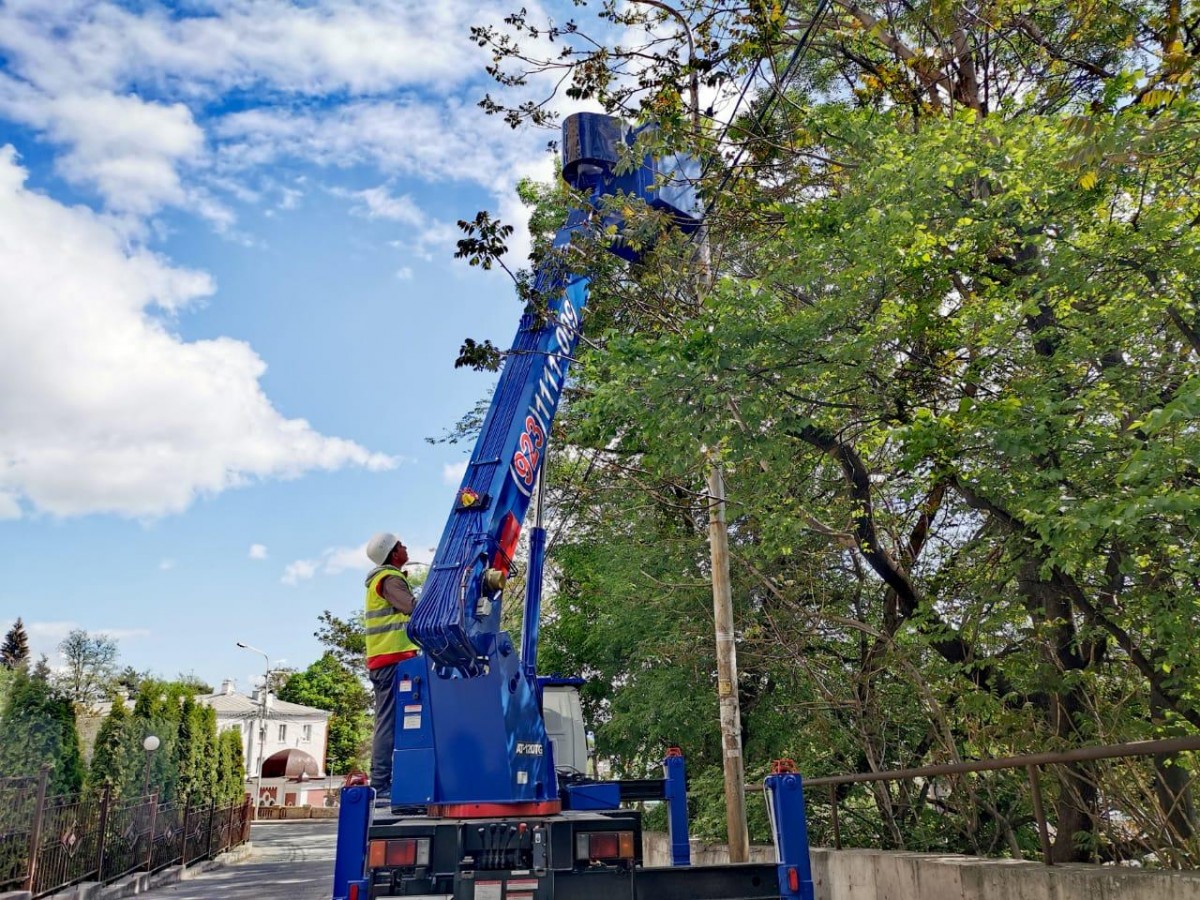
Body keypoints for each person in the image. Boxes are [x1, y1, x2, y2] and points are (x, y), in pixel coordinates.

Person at [364, 531, 419, 805]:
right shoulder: (389, 579)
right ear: (392, 553)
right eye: (401, 545)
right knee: (388, 722)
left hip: (389, 660)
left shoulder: (384, 579)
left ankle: (386, 779)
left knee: (397, 720)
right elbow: (412, 608)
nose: (405, 547)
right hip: (392, 661)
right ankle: (381, 783)